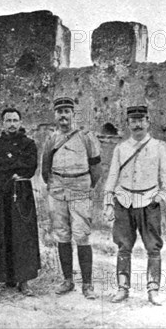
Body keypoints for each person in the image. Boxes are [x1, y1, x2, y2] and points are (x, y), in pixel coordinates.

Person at [103, 105, 166, 306]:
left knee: (153, 247)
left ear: (148, 121)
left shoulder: (159, 146)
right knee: (123, 246)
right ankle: (122, 288)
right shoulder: (121, 148)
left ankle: (153, 289)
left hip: (149, 201)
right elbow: (112, 176)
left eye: (141, 120)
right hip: (124, 201)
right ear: (128, 124)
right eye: (133, 121)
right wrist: (109, 202)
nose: (137, 125)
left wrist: (162, 196)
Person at [41, 97, 102, 300]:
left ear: (73, 114)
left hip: (80, 189)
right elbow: (45, 168)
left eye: (67, 111)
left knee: (82, 235)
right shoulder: (51, 139)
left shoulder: (86, 137)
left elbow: (96, 167)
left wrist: (87, 186)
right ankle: (67, 280)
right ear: (55, 115)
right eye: (59, 111)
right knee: (62, 234)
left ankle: (87, 284)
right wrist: (55, 184)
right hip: (57, 190)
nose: (63, 115)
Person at [0, 108, 40, 296]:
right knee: (4, 232)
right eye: (8, 120)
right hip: (1, 192)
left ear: (21, 122)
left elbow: (29, 167)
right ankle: (7, 275)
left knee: (22, 235)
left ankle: (24, 280)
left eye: (15, 120)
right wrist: (12, 171)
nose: (12, 124)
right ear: (2, 123)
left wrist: (9, 168)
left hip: (21, 194)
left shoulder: (29, 144)